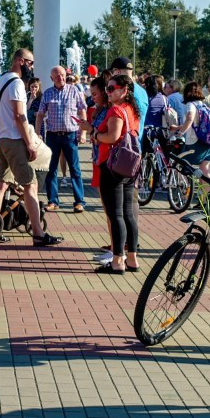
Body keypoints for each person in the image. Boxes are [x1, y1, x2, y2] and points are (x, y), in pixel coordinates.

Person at [0, 50, 62, 246]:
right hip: (14, 139)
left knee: (0, 185)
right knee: (31, 185)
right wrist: (29, 143)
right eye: (30, 63)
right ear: (20, 61)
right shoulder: (17, 83)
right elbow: (20, 115)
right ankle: (38, 233)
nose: (31, 67)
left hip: (1, 139)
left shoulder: (1, 81)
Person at [93, 74, 142, 274]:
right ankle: (132, 258)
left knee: (116, 215)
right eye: (107, 88)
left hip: (111, 165)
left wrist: (95, 134)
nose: (108, 92)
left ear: (125, 90)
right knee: (128, 214)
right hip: (129, 165)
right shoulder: (132, 110)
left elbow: (112, 137)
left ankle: (117, 261)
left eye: (112, 88)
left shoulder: (116, 110)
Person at [36, 65, 88, 214]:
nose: (61, 78)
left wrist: (83, 132)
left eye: (63, 75)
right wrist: (37, 132)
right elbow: (40, 114)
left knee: (75, 169)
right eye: (57, 76)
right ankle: (53, 201)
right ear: (52, 78)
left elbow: (82, 110)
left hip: (70, 136)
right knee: (51, 169)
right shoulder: (47, 94)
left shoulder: (74, 91)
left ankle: (79, 202)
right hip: (52, 136)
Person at [174, 81, 210, 177]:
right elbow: (195, 123)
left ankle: (183, 188)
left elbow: (190, 118)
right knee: (205, 169)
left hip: (195, 142)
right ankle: (206, 192)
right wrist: (178, 127)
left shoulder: (190, 105)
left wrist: (180, 133)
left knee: (181, 164)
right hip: (208, 141)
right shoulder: (203, 105)